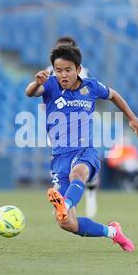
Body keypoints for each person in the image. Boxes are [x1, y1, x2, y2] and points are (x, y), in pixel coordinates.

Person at [25, 44, 138, 251]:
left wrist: (132, 118)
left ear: (78, 69)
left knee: (77, 175)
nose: (63, 74)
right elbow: (30, 93)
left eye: (68, 70)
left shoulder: (91, 86)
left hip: (84, 151)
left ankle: (66, 204)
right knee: (67, 223)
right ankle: (113, 232)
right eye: (59, 70)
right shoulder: (51, 85)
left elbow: (114, 95)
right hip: (60, 157)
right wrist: (36, 83)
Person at [46, 36, 98, 218]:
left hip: (80, 124)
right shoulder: (51, 73)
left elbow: (90, 94)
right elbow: (42, 94)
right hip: (58, 125)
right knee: (63, 165)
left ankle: (86, 194)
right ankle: (67, 202)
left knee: (81, 167)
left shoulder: (84, 74)